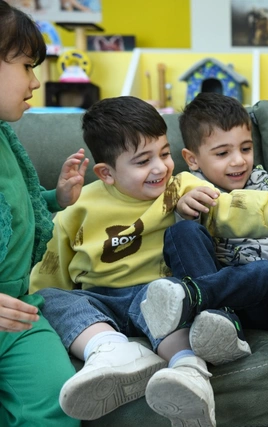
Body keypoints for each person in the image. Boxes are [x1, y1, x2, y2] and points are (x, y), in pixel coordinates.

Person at [29, 95, 268, 425]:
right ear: (106, 173)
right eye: (143, 161)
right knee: (48, 299)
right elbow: (51, 268)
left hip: (160, 297)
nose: (160, 167)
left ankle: (189, 370)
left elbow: (232, 206)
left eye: (163, 153)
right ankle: (109, 352)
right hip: (99, 300)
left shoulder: (181, 188)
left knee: (179, 273)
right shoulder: (76, 210)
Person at [0, 1, 88, 425]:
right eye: (26, 66)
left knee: (58, 403)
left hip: (18, 311)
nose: (35, 82)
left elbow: (14, 207)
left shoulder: (5, 139)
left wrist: (55, 197)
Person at [178, 92, 268, 284]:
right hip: (216, 282)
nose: (239, 161)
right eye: (222, 153)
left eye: (246, 149)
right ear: (192, 160)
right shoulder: (187, 189)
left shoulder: (263, 183)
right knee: (184, 231)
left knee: (263, 271)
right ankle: (212, 306)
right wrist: (183, 211)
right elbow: (179, 243)